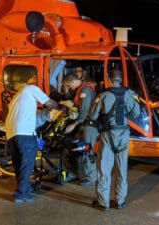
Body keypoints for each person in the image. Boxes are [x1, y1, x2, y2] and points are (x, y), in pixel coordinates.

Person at [90, 69, 140, 211]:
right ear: (121, 79)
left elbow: (93, 116)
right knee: (122, 169)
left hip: (108, 135)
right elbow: (136, 112)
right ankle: (120, 201)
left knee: (104, 170)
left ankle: (103, 203)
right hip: (124, 134)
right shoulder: (129, 94)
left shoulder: (104, 95)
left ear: (108, 78)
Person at [5, 74, 58, 204]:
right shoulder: (31, 89)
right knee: (27, 165)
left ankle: (24, 190)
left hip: (11, 135)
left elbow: (32, 120)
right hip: (25, 136)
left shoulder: (16, 99)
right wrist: (62, 107)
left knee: (20, 166)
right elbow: (50, 103)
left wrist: (44, 115)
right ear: (31, 81)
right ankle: (21, 194)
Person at [63, 73, 98, 186]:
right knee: (74, 149)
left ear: (72, 82)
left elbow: (84, 111)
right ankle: (74, 173)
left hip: (89, 125)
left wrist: (74, 124)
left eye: (68, 86)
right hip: (83, 125)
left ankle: (91, 176)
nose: (69, 88)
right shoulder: (81, 89)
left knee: (87, 150)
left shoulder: (85, 91)